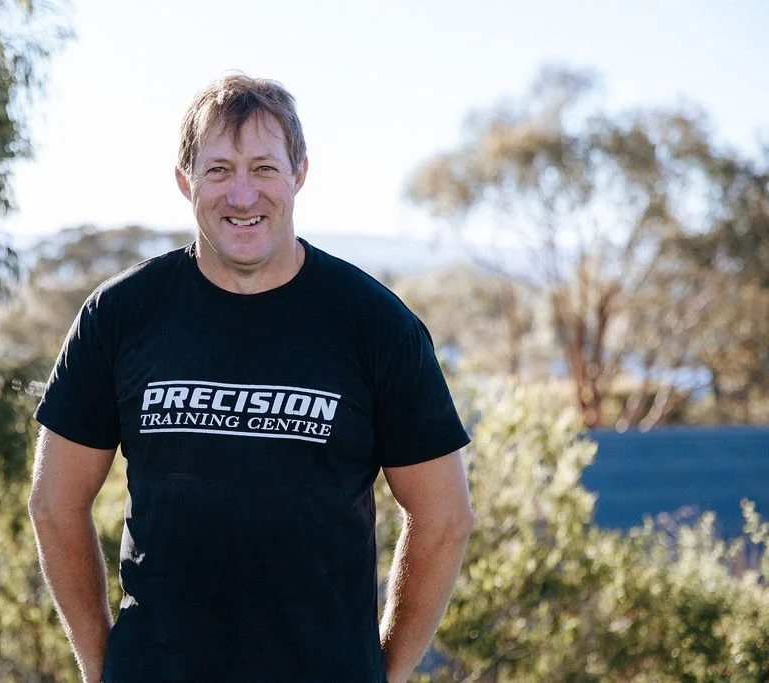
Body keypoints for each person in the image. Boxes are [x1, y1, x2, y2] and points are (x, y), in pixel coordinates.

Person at [28, 74, 475, 683]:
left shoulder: (375, 324)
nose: (242, 196)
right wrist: (101, 667)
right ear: (185, 179)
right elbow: (54, 503)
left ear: (299, 174)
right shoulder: (119, 316)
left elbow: (444, 516)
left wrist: (385, 672)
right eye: (218, 170)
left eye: (264, 168)